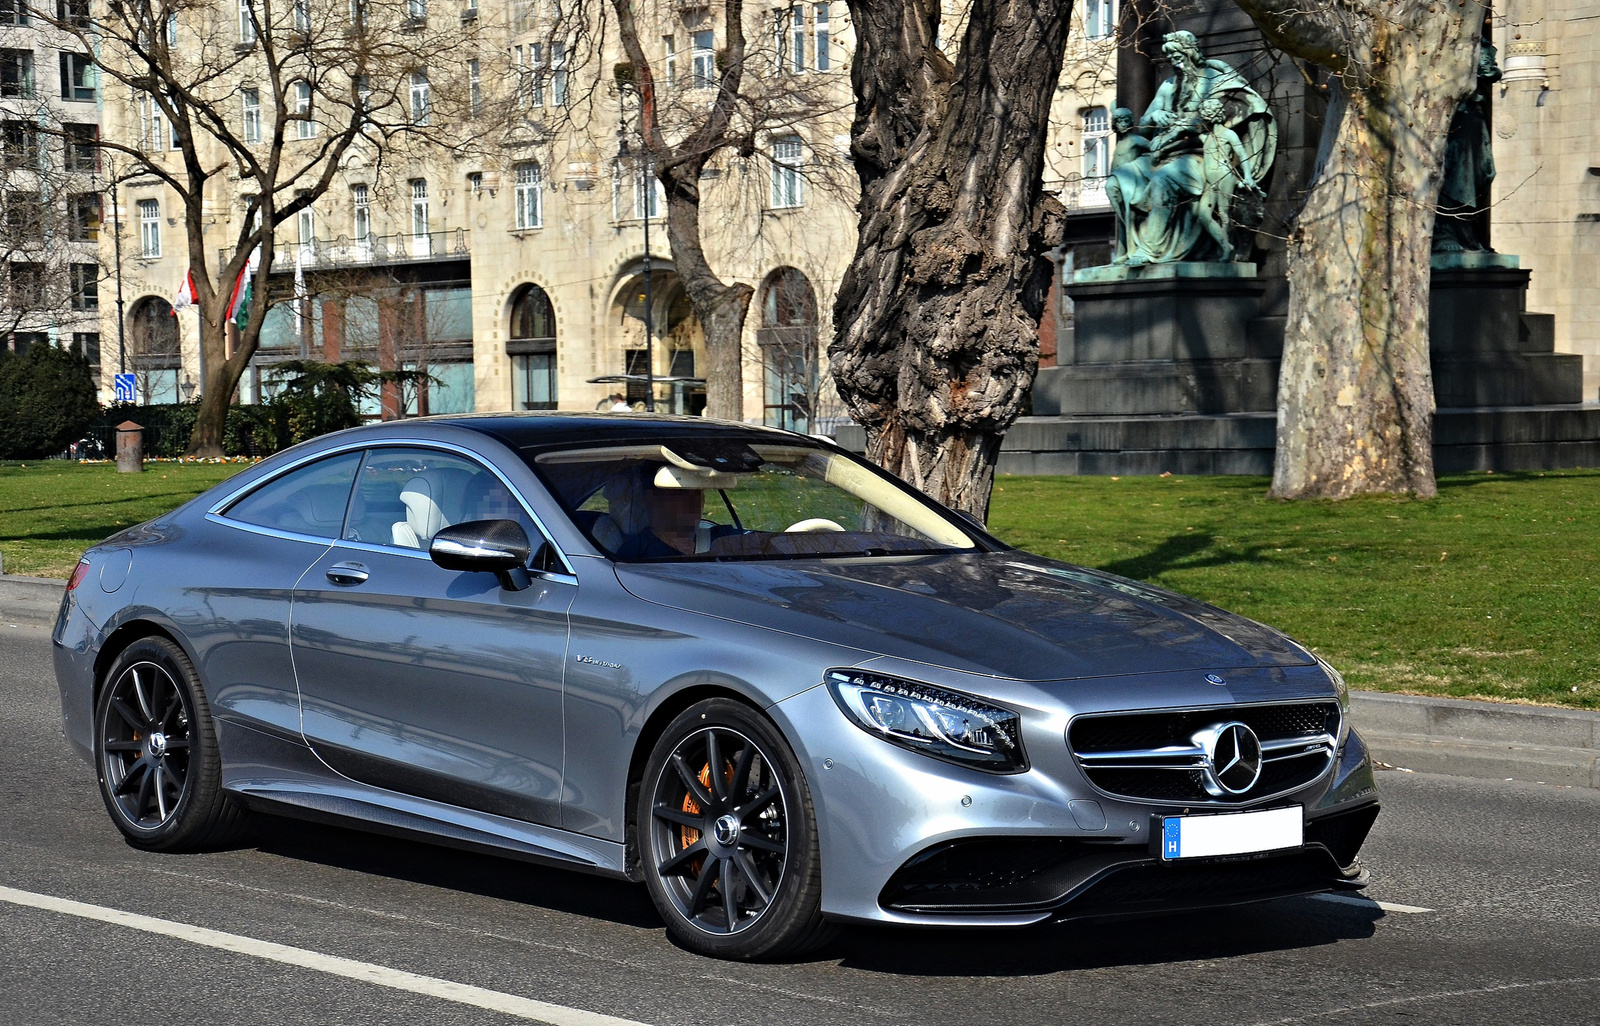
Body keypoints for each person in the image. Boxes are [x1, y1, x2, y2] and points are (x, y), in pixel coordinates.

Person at [1192, 98, 1260, 261]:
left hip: (1224, 175)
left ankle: (1227, 251)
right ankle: (1225, 245)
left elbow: (1243, 155)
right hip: (1210, 180)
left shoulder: (1228, 134)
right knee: (1203, 215)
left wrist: (1248, 176)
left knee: (1223, 213)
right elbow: (1189, 130)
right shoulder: (1206, 137)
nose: (1203, 117)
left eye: (1205, 114)